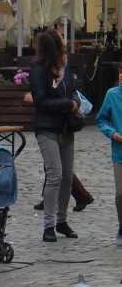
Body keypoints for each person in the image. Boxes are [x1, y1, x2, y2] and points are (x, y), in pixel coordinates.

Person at [30, 30, 80, 243]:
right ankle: (48, 225)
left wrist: (74, 100)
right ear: (54, 46)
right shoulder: (39, 70)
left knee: (67, 177)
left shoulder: (64, 68)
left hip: (66, 128)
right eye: (62, 41)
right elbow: (40, 101)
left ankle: (62, 220)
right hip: (47, 128)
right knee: (55, 174)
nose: (65, 43)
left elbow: (73, 90)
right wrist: (66, 104)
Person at [25, 92, 94, 213]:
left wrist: (35, 100)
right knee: (52, 166)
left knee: (57, 167)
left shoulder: (60, 80)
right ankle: (51, 197)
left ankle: (82, 196)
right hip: (48, 125)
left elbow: (63, 101)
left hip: (59, 126)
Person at [95, 63, 122, 245]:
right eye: (121, 73)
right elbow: (101, 119)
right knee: (121, 194)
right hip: (119, 152)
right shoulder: (112, 95)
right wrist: (112, 133)